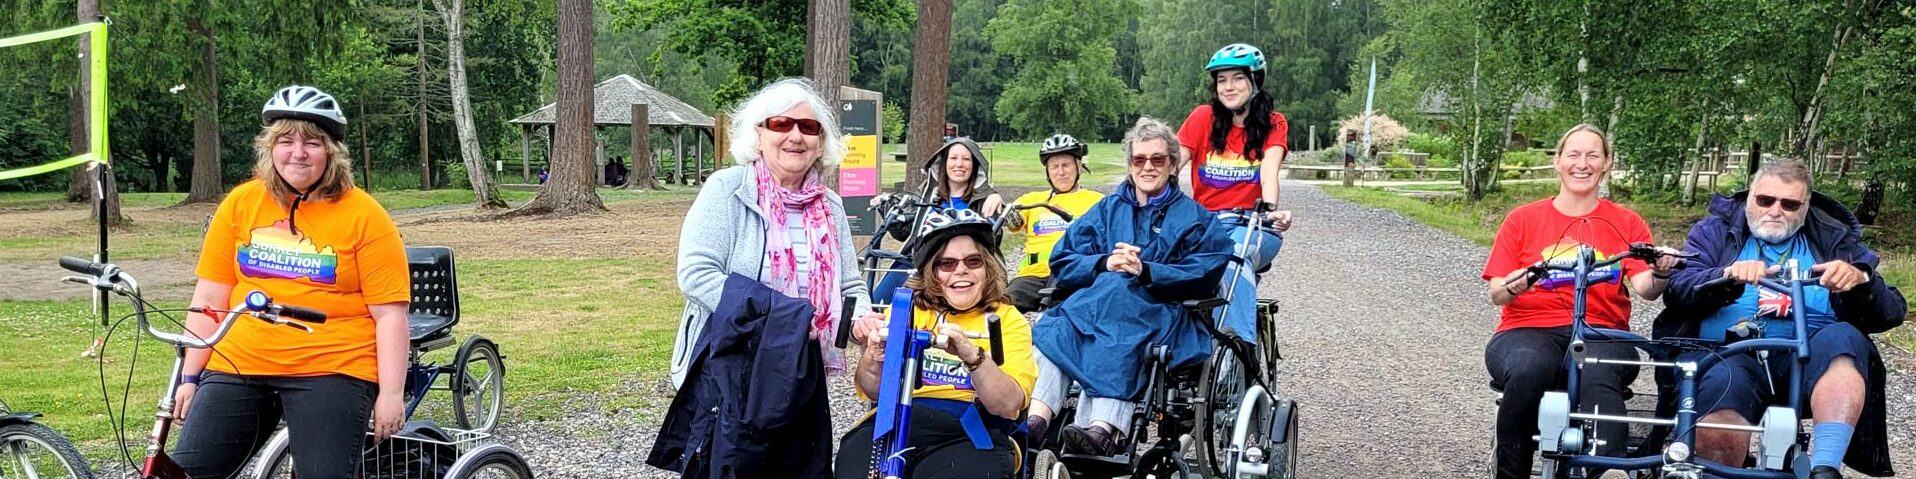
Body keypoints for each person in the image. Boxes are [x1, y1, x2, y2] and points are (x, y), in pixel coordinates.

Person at [172, 85, 411, 479]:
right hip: (241, 360)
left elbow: (389, 315)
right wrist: (190, 376)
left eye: (312, 143)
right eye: (285, 140)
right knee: (187, 472)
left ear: (331, 152)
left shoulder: (366, 216)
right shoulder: (241, 203)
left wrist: (390, 394)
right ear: (270, 147)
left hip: (332, 365)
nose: (297, 152)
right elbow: (211, 295)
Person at [1656, 160, 1904, 479]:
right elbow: (1678, 289)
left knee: (1845, 338)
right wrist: (1726, 277)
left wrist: (1860, 280)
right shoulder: (1714, 232)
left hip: (1809, 359)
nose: (1775, 210)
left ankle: (1824, 468)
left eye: (1789, 204)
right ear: (1749, 198)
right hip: (1730, 354)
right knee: (1723, 382)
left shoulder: (1834, 238)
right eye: (1765, 200)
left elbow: (1891, 312)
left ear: (1805, 207)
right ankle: (1718, 470)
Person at [1022, 117, 1235, 456]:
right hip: (1092, 307)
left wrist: (1147, 270)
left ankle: (1103, 429)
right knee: (1054, 328)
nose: (1147, 167)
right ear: (1130, 164)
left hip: (1159, 310)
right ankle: (1036, 422)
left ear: (1173, 165)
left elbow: (1207, 270)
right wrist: (1104, 262)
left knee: (1120, 331)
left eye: (1157, 159)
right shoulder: (1107, 210)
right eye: (1139, 159)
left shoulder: (1195, 218)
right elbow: (1062, 259)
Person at [1481, 124, 1680, 479]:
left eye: (1593, 155)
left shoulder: (1626, 222)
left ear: (1606, 163)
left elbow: (1646, 288)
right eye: (1573, 154)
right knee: (1529, 369)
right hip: (1527, 329)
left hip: (1601, 333)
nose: (1582, 163)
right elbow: (1497, 293)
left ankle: (1609, 469)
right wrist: (1519, 284)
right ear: (1558, 162)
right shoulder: (1522, 219)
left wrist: (1663, 270)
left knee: (1598, 375)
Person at [672, 77, 872, 388]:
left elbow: (851, 287)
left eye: (808, 127)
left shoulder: (830, 205)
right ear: (759, 135)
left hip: (803, 367)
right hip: (728, 365)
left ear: (820, 143)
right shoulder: (727, 189)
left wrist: (859, 320)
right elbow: (697, 276)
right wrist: (783, 318)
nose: (795, 136)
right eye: (781, 124)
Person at [838, 207, 1036, 479]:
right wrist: (873, 356)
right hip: (896, 422)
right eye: (947, 263)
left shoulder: (1005, 319)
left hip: (968, 429)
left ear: (987, 267)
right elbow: (872, 391)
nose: (961, 271)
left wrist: (973, 358)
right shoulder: (906, 310)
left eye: (973, 261)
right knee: (853, 468)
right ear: (932, 272)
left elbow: (1007, 405)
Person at [1176, 43, 1295, 339]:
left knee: (1232, 259)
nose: (1228, 87)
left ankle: (1237, 352)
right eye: (1221, 80)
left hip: (1252, 225)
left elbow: (1269, 171)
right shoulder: (1202, 118)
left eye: (1237, 78)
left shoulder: (1273, 122)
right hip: (1205, 225)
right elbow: (1171, 165)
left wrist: (1269, 210)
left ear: (1255, 81)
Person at [1004, 133, 1105, 313]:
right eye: (1054, 167)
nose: (1061, 172)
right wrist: (997, 204)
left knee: (1058, 301)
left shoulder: (1097, 201)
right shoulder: (1033, 200)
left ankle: (1047, 325)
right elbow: (1011, 221)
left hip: (1070, 271)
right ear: (1047, 172)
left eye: (1066, 165)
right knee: (1003, 305)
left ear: (1079, 166)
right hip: (1032, 275)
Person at [925, 137, 1006, 217]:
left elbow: (1014, 223)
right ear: (943, 163)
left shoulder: (985, 200)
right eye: (953, 158)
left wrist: (996, 199)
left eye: (966, 159)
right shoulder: (925, 195)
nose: (959, 164)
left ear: (975, 165)